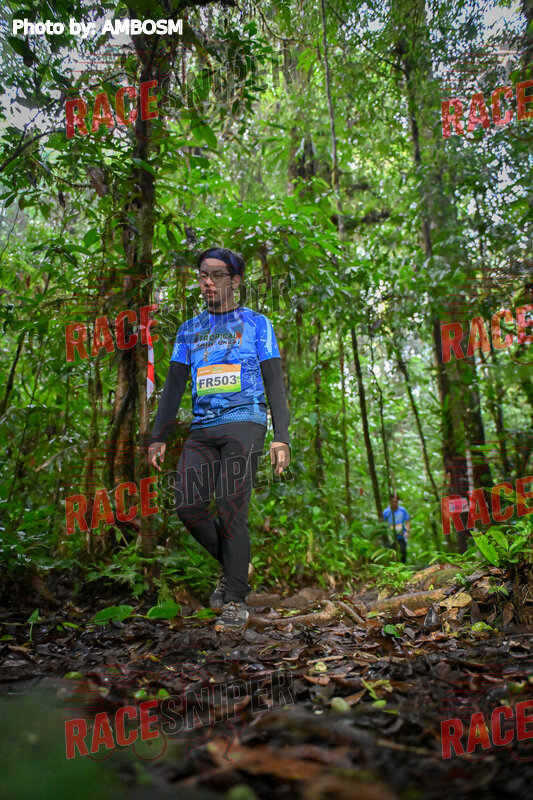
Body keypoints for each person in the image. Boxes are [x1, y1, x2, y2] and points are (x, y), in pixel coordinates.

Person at [147, 247, 291, 632]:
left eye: (216, 275)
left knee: (230, 508)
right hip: (203, 427)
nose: (207, 282)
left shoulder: (257, 324)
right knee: (187, 505)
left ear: (235, 281)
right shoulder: (188, 330)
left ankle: (235, 601)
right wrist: (158, 436)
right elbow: (173, 387)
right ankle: (235, 566)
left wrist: (282, 437)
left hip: (246, 422)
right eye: (202, 276)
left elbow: (275, 383)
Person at [383, 494, 410, 563]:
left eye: (396, 501)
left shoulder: (402, 510)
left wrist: (407, 531)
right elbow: (383, 523)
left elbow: (407, 521)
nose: (395, 503)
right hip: (391, 536)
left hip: (402, 534)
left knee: (403, 551)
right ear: (390, 501)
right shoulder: (386, 512)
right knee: (392, 552)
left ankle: (403, 565)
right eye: (393, 501)